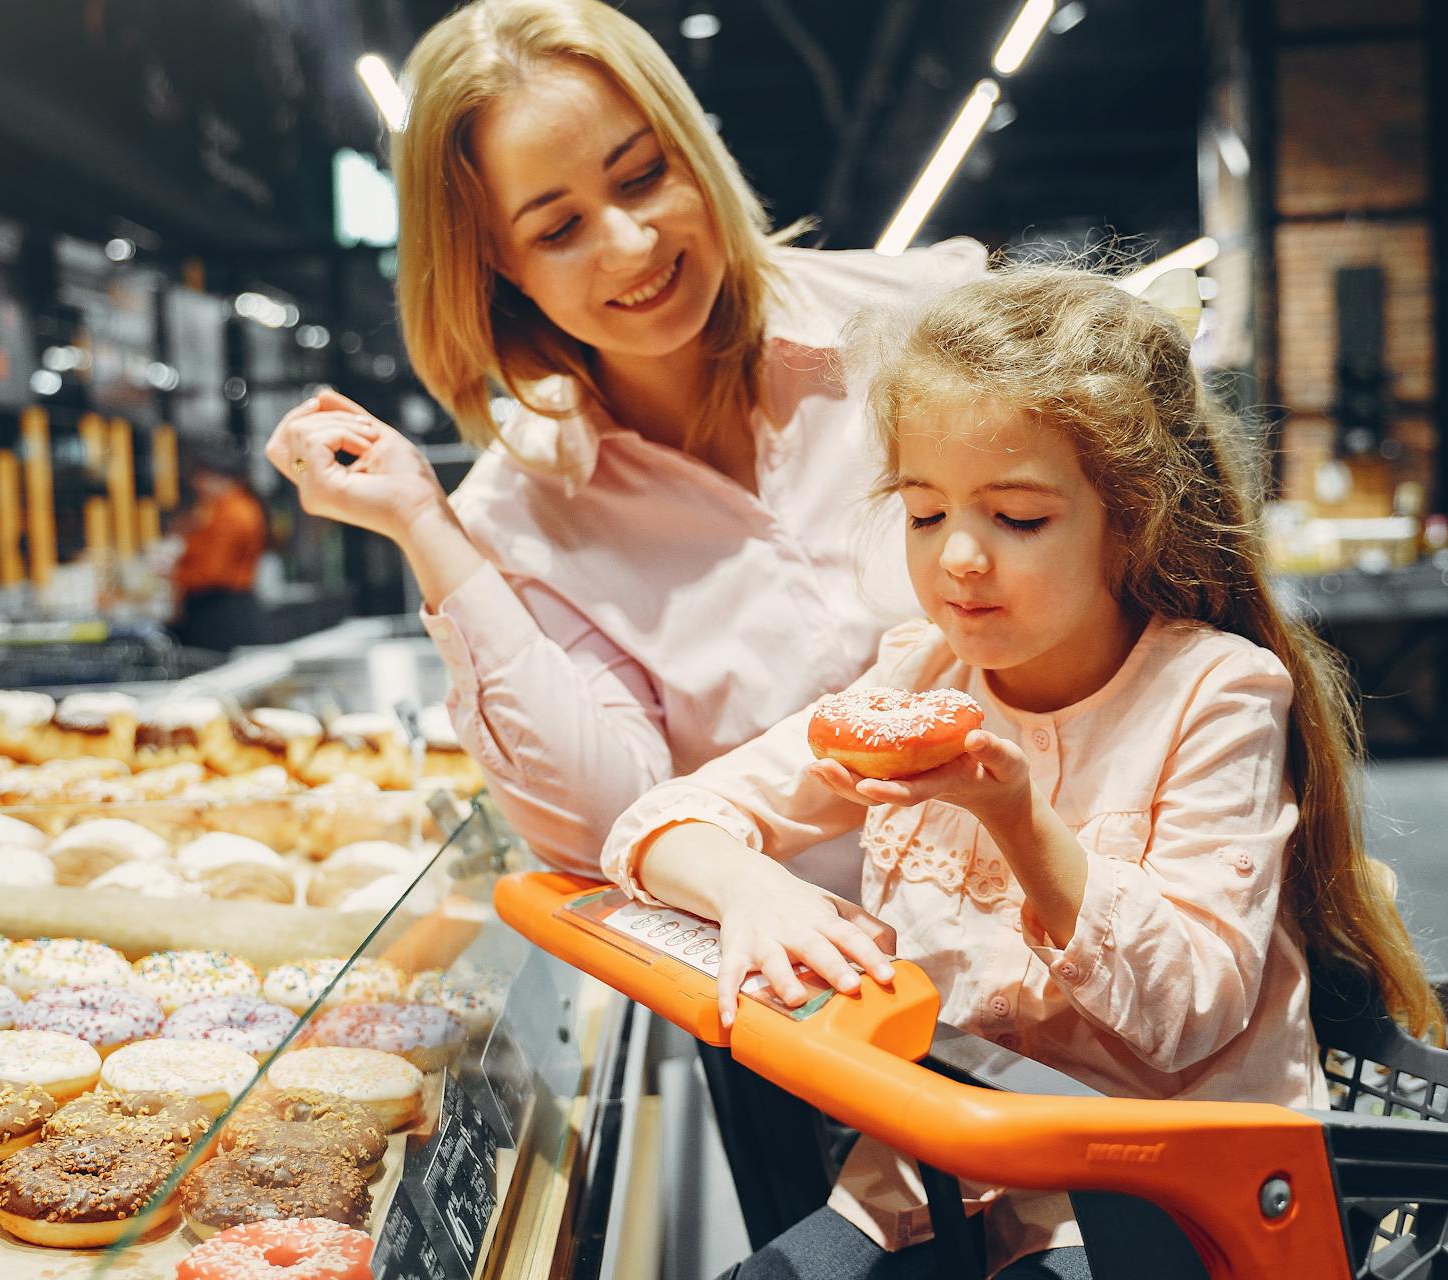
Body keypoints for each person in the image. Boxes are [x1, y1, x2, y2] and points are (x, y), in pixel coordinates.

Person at [599, 265, 1445, 1278]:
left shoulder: (1214, 693)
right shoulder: (919, 673)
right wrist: (750, 889)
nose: (959, 555)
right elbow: (658, 820)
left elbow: (1189, 1013)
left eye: (1018, 517)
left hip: (1168, 1195)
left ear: (1131, 519)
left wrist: (1019, 817)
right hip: (934, 1169)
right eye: (923, 512)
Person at [263, 0, 984, 890]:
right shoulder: (519, 517)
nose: (631, 244)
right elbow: (600, 831)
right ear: (497, 263)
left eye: (642, 176)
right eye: (558, 229)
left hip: (1091, 971)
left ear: (692, 149)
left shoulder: (933, 325)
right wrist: (428, 529)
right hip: (809, 1004)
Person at [169, 436, 266, 650]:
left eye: (200, 477)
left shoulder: (232, 513)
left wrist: (174, 576)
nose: (197, 485)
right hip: (225, 608)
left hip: (220, 611)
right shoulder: (235, 507)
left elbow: (213, 572)